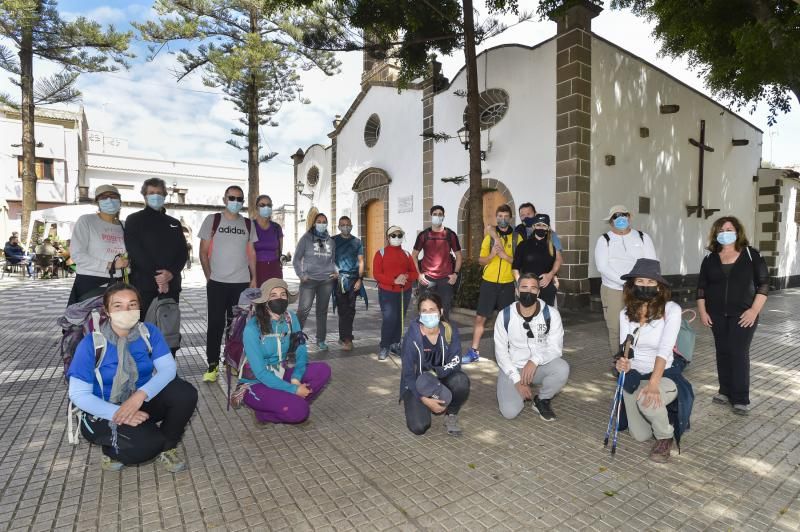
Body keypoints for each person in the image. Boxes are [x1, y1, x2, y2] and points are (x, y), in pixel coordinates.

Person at [67, 283, 198, 472]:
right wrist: (118, 414)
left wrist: (139, 397)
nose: (126, 310)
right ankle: (111, 451)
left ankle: (167, 448)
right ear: (107, 310)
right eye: (118, 306)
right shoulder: (92, 344)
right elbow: (79, 395)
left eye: (132, 304)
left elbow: (168, 369)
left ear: (139, 308)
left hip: (138, 400)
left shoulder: (148, 332)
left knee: (184, 393)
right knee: (145, 446)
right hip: (101, 410)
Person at [615, 258, 693, 462]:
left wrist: (653, 384)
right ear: (632, 285)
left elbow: (665, 350)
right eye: (640, 281)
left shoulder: (671, 310)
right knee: (640, 435)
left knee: (646, 400)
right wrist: (621, 363)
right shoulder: (625, 314)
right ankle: (658, 411)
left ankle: (665, 436)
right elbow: (626, 349)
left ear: (659, 286)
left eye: (651, 282)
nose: (645, 286)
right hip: (635, 375)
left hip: (664, 374)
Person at [697, 216, 768, 415]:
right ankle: (725, 391)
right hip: (716, 314)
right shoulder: (710, 259)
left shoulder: (751, 255)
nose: (724, 233)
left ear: (737, 232)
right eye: (720, 230)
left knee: (738, 352)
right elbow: (701, 288)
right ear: (715, 234)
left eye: (728, 229)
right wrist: (703, 312)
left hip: (744, 314)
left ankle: (740, 398)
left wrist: (754, 310)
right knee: (722, 351)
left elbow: (763, 284)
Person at [240, 278, 331, 424]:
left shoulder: (290, 318)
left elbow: (301, 349)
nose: (279, 299)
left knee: (322, 370)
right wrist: (294, 389)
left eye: (283, 294)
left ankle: (289, 400)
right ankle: (263, 415)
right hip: (256, 383)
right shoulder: (252, 329)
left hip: (281, 374)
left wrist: (296, 378)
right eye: (273, 295)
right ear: (264, 301)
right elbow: (260, 373)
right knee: (300, 412)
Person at [198, 185, 258, 382]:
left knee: (236, 326)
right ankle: (212, 365)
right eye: (232, 198)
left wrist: (254, 278)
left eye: (240, 199)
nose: (236, 202)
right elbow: (203, 252)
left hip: (240, 283)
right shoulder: (212, 220)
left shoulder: (248, 224)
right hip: (217, 283)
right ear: (225, 199)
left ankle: (231, 362)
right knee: (215, 324)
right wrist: (209, 277)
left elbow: (251, 254)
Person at [495, 273, 569, 421]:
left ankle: (542, 400)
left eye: (533, 288)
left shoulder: (551, 314)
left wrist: (535, 360)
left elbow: (555, 348)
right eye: (524, 287)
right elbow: (501, 353)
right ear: (517, 291)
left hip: (538, 366)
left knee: (562, 368)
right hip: (513, 367)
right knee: (509, 412)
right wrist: (517, 380)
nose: (528, 292)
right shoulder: (505, 315)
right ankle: (518, 391)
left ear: (538, 292)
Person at [399, 293, 469, 436]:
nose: (428, 314)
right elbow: (408, 375)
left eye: (432, 309)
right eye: (424, 311)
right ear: (419, 314)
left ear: (441, 311)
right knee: (419, 427)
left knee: (461, 381)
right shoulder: (412, 336)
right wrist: (424, 399)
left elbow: (455, 362)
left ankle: (451, 415)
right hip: (418, 384)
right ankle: (429, 404)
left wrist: (436, 374)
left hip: (440, 379)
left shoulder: (450, 331)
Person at [594, 204, 657, 357]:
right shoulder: (605, 239)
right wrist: (625, 282)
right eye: (616, 216)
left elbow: (651, 262)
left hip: (640, 289)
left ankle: (639, 359)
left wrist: (639, 283)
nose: (620, 218)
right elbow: (603, 267)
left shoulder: (642, 237)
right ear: (611, 221)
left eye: (623, 215)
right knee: (615, 327)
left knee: (641, 324)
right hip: (613, 289)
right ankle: (619, 361)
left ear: (629, 217)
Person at [124, 177, 189, 320]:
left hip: (171, 286)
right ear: (145, 196)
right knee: (142, 329)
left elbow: (183, 252)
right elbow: (135, 251)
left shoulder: (174, 223)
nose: (156, 196)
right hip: (144, 285)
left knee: (168, 330)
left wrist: (170, 274)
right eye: (151, 192)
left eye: (159, 193)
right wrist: (160, 278)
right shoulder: (133, 220)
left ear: (165, 195)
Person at [463, 204, 520, 364]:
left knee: (507, 320)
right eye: (500, 216)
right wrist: (491, 255)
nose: (503, 219)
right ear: (496, 218)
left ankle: (506, 353)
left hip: (508, 284)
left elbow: (520, 262)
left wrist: (504, 256)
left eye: (505, 216)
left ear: (510, 218)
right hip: (489, 283)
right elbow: (481, 261)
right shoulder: (489, 238)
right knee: (480, 318)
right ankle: (474, 351)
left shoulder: (517, 238)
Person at [68, 185, 128, 305]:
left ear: (120, 201)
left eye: (113, 196)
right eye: (104, 197)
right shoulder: (86, 221)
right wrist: (110, 265)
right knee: (93, 322)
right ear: (97, 202)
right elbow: (77, 255)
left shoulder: (125, 225)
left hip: (119, 282)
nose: (109, 200)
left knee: (117, 322)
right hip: (91, 281)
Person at [293, 213, 337, 351]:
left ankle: (321, 340)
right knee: (302, 311)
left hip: (326, 281)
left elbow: (333, 260)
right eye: (319, 221)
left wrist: (336, 272)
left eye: (324, 221)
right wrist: (301, 275)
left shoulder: (331, 241)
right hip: (309, 281)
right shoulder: (306, 239)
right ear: (314, 223)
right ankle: (295, 341)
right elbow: (296, 259)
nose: (322, 224)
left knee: (322, 312)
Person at [373, 225, 418, 361]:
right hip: (387, 292)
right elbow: (377, 274)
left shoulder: (406, 254)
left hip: (404, 291)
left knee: (400, 318)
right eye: (393, 235)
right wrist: (394, 280)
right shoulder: (380, 253)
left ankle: (395, 344)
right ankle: (385, 346)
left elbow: (414, 273)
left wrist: (405, 277)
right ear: (388, 238)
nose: (396, 238)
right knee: (389, 319)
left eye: (399, 235)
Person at [411, 205, 462, 319]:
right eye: (435, 214)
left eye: (440, 214)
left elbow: (458, 255)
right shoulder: (424, 235)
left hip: (446, 280)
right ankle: (426, 336)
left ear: (443, 217)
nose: (437, 216)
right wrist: (418, 275)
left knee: (444, 313)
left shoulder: (450, 234)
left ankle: (443, 336)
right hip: (427, 280)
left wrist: (455, 274)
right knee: (426, 313)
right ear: (431, 216)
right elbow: (414, 255)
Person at [512, 213, 560, 306]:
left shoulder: (551, 247)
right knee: (528, 315)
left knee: (546, 316)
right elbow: (515, 267)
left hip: (546, 288)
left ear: (548, 228)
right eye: (538, 225)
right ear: (533, 226)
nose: (541, 228)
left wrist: (552, 279)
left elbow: (554, 266)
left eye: (544, 225)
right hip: (528, 288)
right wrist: (521, 284)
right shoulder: (523, 245)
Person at [332, 216, 364, 351]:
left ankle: (347, 338)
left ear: (351, 225)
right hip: (339, 279)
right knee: (342, 309)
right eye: (343, 225)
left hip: (353, 280)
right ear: (339, 227)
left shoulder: (357, 242)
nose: (345, 227)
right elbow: (328, 258)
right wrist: (334, 271)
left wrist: (360, 279)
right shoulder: (333, 241)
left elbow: (361, 261)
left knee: (350, 310)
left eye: (348, 224)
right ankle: (344, 337)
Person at [252, 194, 284, 285]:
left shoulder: (276, 227)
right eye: (262, 205)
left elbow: (279, 251)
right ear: (256, 208)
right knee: (257, 298)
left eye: (269, 205)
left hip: (274, 269)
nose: (266, 207)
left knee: (274, 297)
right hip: (256, 269)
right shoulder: (250, 226)